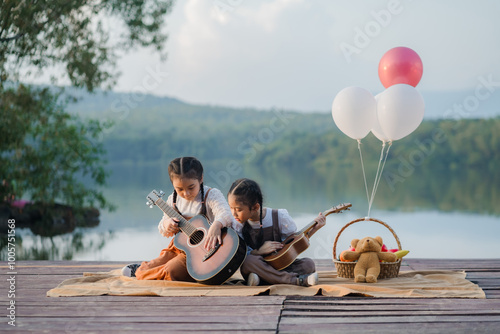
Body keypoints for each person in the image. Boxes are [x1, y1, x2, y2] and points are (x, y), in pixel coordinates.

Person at [122, 157, 236, 281]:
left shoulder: (211, 195)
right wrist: (167, 224)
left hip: (206, 249)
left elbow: (226, 214)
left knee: (171, 270)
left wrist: (217, 225)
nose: (186, 193)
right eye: (179, 189)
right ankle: (145, 270)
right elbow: (163, 225)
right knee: (152, 266)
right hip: (181, 248)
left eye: (191, 187)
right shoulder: (173, 200)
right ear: (173, 185)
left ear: (201, 179)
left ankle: (147, 273)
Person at [227, 178, 326, 286]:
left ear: (255, 207)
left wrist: (314, 229)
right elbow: (242, 255)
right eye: (231, 208)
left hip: (280, 264)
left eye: (238, 209)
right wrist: (259, 251)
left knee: (308, 264)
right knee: (247, 262)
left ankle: (263, 279)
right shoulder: (237, 225)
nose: (233, 214)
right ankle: (296, 280)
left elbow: (293, 243)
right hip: (257, 265)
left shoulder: (279, 216)